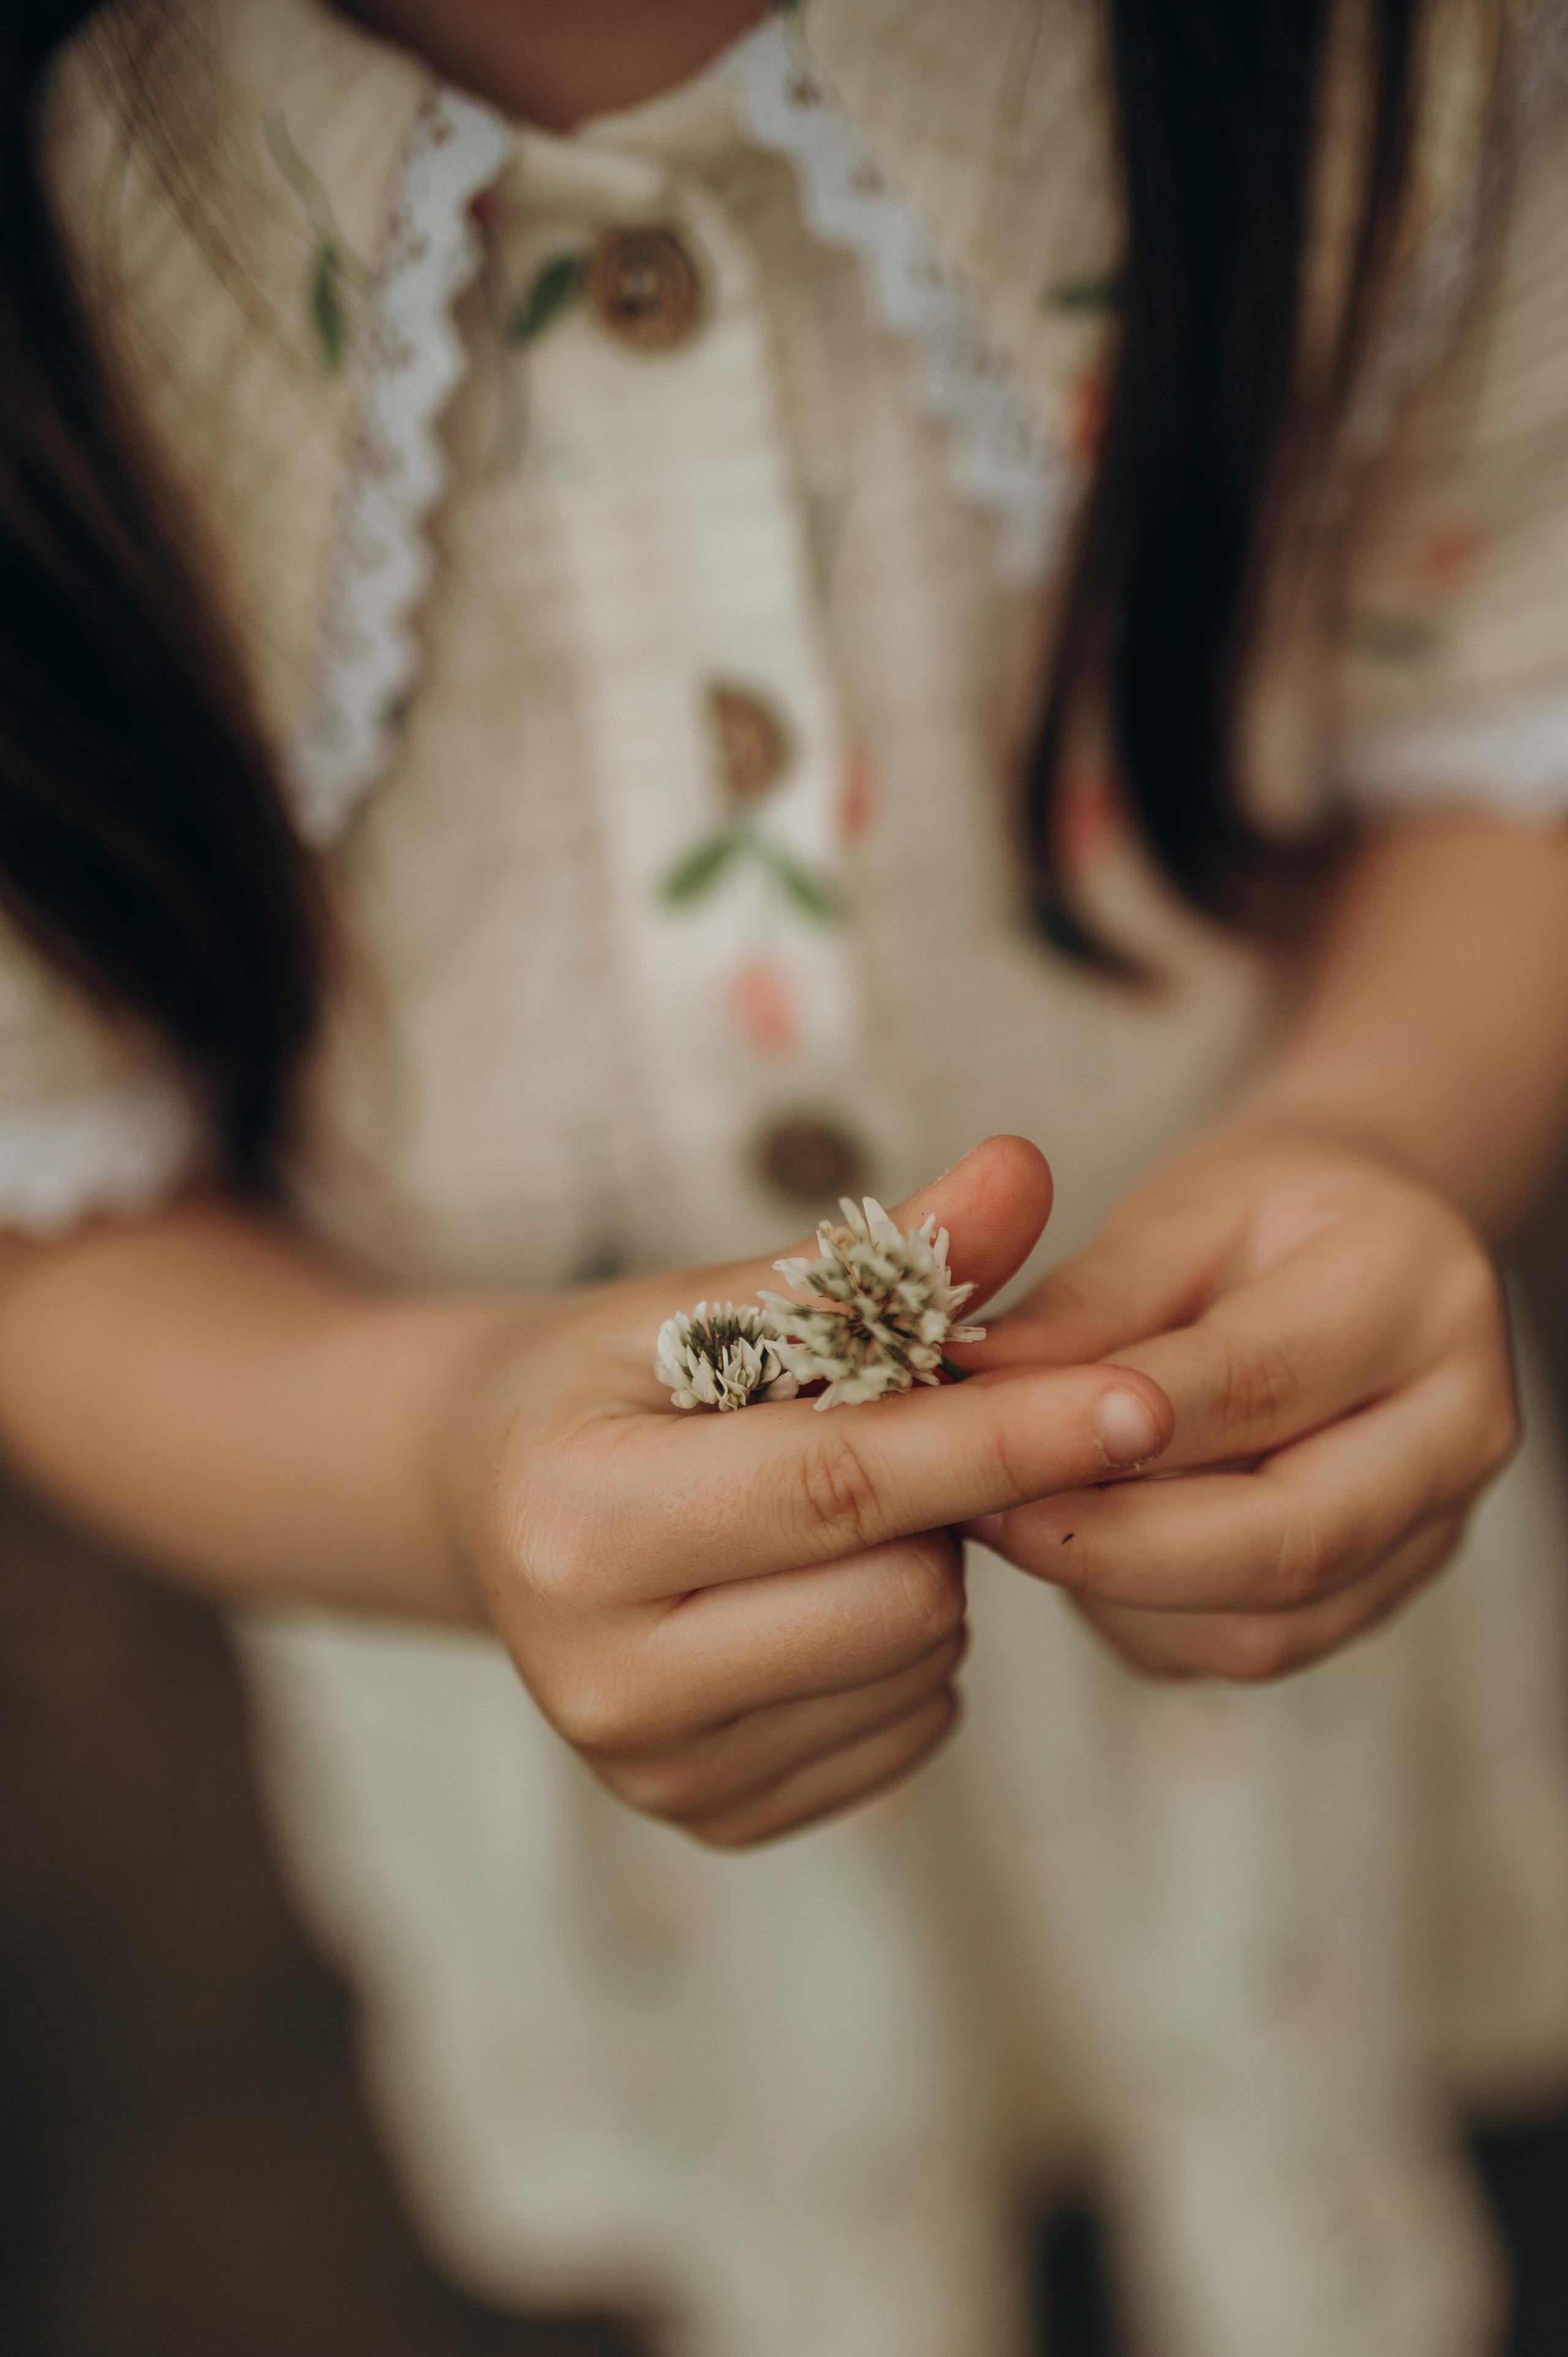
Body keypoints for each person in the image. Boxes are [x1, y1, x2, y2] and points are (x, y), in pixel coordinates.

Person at [5, 0, 1568, 2350]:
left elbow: (1507, 715)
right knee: (822, 2199)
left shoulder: (1381, 55)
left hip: (1266, 1536)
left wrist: (1372, 1129)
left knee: (1288, 2072)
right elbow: (45, 1209)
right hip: (519, 1621)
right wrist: (446, 1473)